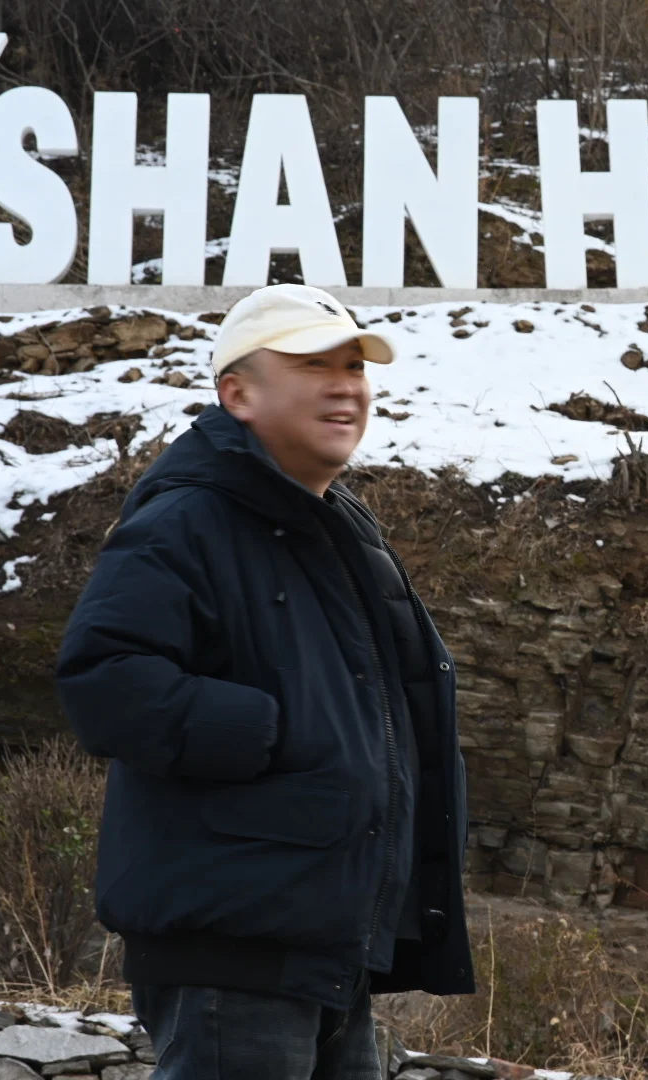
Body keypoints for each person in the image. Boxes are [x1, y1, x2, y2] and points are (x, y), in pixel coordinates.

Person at [56, 283, 475, 1079]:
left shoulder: (341, 528)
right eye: (313, 363)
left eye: (353, 364)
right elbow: (104, 678)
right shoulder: (189, 517)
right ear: (237, 394)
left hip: (327, 943)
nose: (346, 383)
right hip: (234, 953)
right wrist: (273, 733)